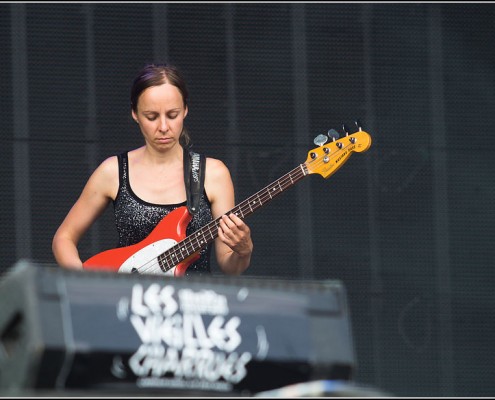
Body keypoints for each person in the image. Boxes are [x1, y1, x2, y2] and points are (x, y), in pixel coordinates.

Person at [52, 63, 253, 276]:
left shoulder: (213, 174)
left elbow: (230, 267)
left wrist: (244, 251)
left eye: (173, 115)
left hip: (192, 304)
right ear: (135, 113)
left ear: (185, 109)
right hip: (129, 303)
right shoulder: (113, 171)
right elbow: (63, 238)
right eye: (151, 116)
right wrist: (86, 284)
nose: (164, 127)